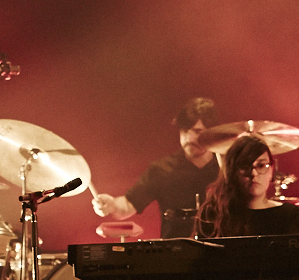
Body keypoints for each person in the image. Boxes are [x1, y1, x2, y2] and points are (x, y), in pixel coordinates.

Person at [195, 133, 299, 280]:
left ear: (272, 169)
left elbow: (297, 273)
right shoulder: (213, 212)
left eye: (261, 165)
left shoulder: (290, 216)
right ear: (232, 170)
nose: (254, 173)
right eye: (244, 165)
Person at [92, 97, 221, 239]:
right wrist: (112, 205)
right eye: (184, 131)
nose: (189, 138)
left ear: (212, 132)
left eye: (197, 131)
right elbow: (128, 205)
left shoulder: (225, 168)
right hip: (175, 251)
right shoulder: (162, 169)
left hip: (222, 249)